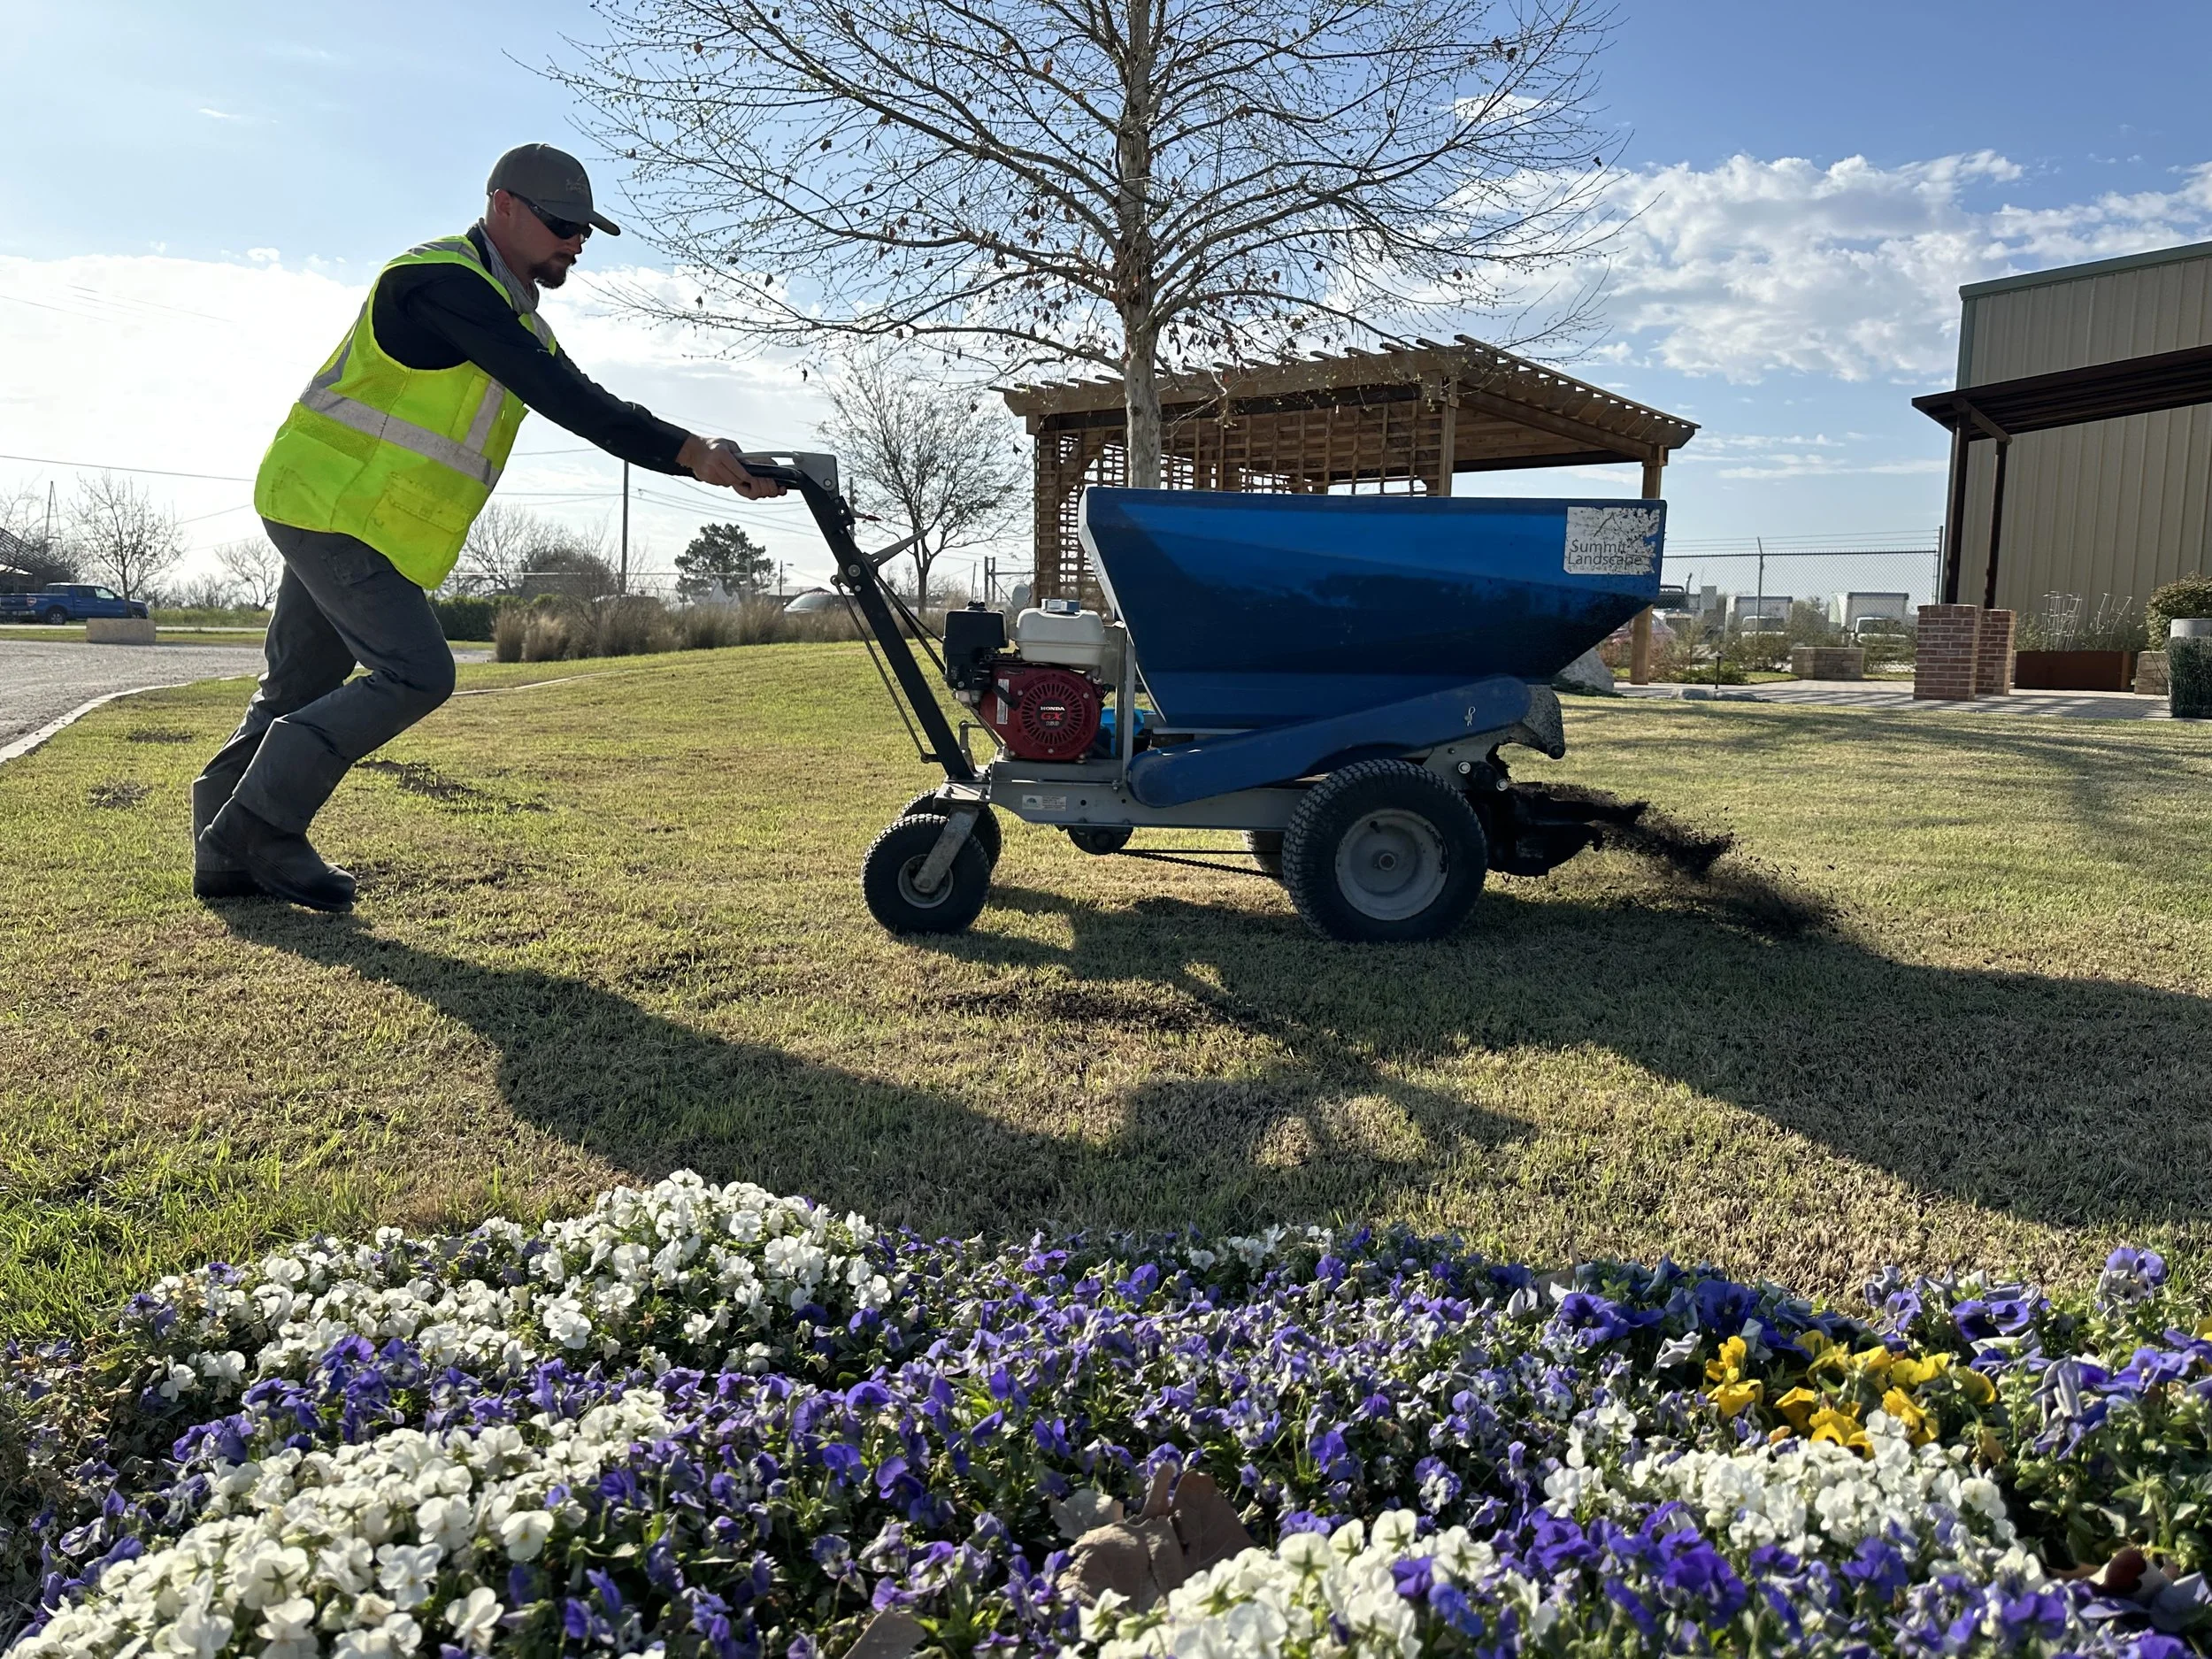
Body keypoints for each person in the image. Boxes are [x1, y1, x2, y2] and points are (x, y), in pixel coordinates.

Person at [194, 143, 782, 912]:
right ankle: (261, 827)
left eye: (586, 231)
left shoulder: (507, 310)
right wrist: (690, 453)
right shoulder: (439, 282)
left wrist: (705, 456)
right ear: (502, 205)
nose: (576, 243)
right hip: (331, 506)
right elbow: (564, 396)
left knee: (298, 688)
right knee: (418, 673)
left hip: (353, 515)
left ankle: (223, 844)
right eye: (563, 224)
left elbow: (587, 392)